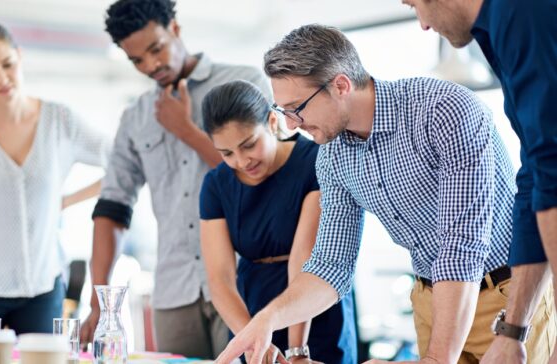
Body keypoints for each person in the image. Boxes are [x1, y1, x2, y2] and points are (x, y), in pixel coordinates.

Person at [212, 24, 537, 364]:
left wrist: (437, 359)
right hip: (430, 303)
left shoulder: (443, 111)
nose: (291, 124)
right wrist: (269, 318)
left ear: (340, 85)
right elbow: (330, 265)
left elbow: (461, 245)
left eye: (297, 108)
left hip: (507, 301)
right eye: (284, 112)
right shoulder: (332, 156)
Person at [78, 0, 272, 359]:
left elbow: (263, 176)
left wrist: (186, 130)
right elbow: (112, 207)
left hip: (246, 283)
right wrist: (97, 303)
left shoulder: (244, 82)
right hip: (174, 291)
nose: (151, 65)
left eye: (156, 49)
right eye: (137, 60)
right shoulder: (136, 118)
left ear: (176, 30)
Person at [0, 20, 110, 346]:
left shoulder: (60, 120)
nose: (1, 78)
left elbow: (122, 161)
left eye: (7, 64)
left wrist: (65, 200)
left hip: (43, 291)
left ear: (19, 56)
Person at [400, 1, 557, 362]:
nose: (423, 24)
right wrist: (513, 331)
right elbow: (536, 177)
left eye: (413, 5)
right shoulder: (498, 31)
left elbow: (552, 170)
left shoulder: (522, 13)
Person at [199, 80, 357, 364]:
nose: (241, 160)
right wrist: (249, 337)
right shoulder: (215, 184)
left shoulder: (314, 160)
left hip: (313, 304)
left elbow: (303, 257)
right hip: (251, 307)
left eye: (249, 145)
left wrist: (298, 350)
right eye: (227, 153)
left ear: (272, 121)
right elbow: (220, 278)